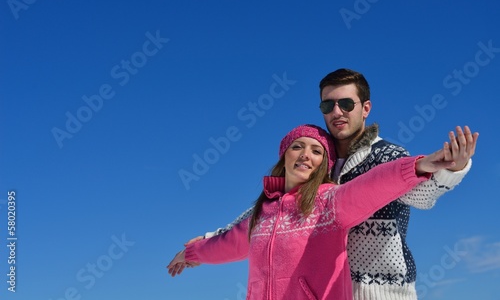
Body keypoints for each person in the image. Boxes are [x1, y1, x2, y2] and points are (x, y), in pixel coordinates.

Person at [170, 68, 479, 299]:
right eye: (327, 105)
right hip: (330, 288)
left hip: (381, 292)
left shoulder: (385, 156)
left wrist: (447, 167)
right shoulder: (316, 162)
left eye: (346, 103)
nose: (337, 112)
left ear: (365, 108)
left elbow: (419, 194)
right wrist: (205, 242)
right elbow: (260, 221)